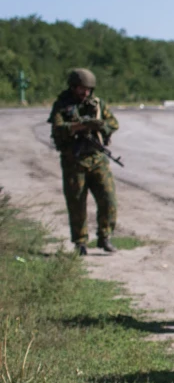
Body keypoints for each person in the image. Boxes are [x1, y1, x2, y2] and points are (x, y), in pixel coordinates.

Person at [48, 68, 119, 255]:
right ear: (73, 87)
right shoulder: (62, 105)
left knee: (108, 200)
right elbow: (57, 128)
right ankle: (80, 242)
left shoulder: (97, 105)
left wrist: (101, 125)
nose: (85, 92)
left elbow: (114, 123)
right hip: (74, 162)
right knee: (77, 203)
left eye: (88, 89)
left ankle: (105, 237)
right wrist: (79, 126)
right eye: (81, 88)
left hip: (97, 160)